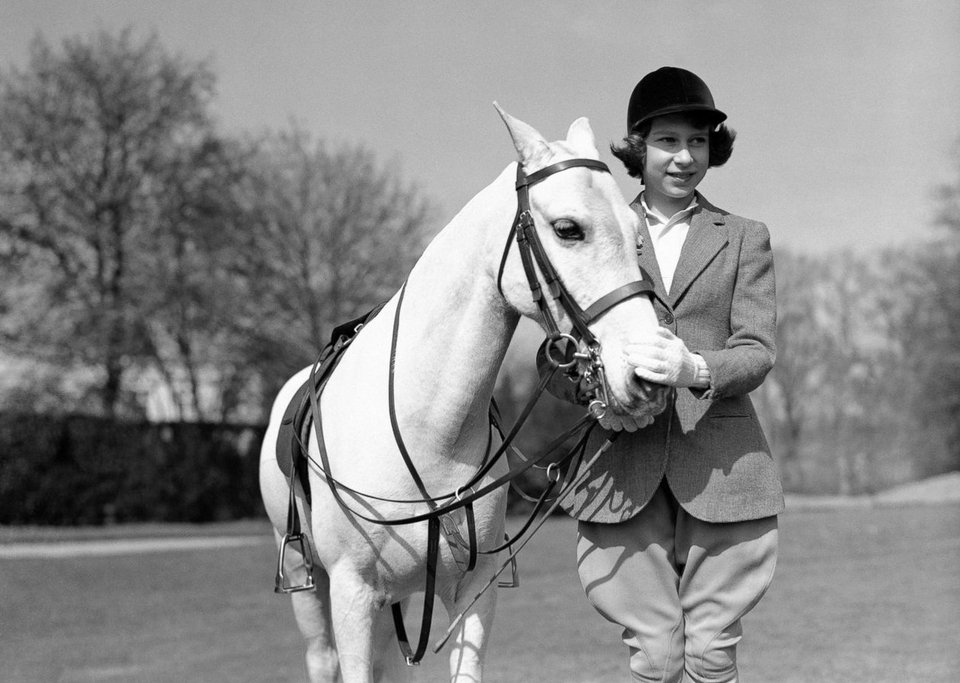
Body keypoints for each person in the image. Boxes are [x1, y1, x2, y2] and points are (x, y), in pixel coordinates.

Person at [559, 66, 782, 682]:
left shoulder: (744, 237)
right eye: (668, 141)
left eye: (698, 141)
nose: (684, 157)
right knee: (655, 659)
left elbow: (757, 350)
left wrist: (694, 367)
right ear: (638, 148)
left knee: (710, 655)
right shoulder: (592, 232)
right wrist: (597, 385)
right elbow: (557, 359)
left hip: (723, 466)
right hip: (619, 467)